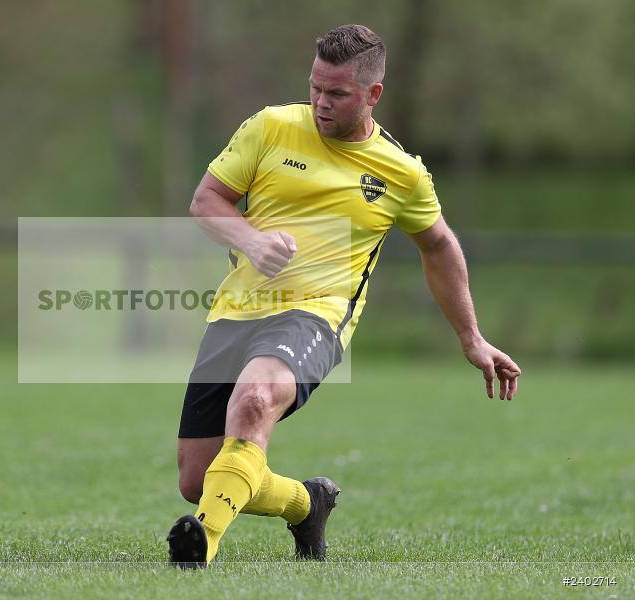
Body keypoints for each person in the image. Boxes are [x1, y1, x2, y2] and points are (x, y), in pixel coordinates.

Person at [166, 25, 521, 568]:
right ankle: (308, 505)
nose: (320, 103)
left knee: (256, 398)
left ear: (373, 94)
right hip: (236, 313)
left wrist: (471, 337)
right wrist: (251, 240)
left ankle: (201, 547)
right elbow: (206, 200)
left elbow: (440, 246)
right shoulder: (270, 127)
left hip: (316, 317)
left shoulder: (400, 173)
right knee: (199, 478)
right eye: (314, 88)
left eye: (337, 94)